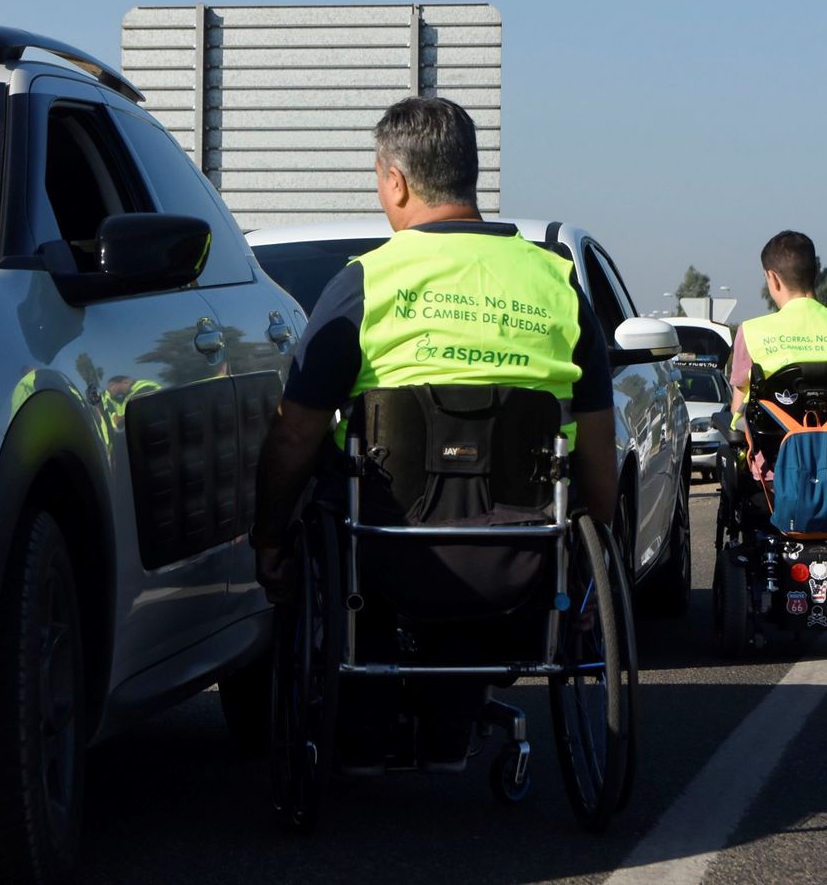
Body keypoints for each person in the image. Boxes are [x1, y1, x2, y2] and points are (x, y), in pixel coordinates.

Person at [247, 95, 615, 771]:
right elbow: (596, 443)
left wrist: (269, 538)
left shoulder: (365, 283)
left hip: (384, 548)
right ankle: (457, 714)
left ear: (395, 182)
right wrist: (594, 554)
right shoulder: (558, 282)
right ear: (469, 174)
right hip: (520, 552)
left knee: (329, 464)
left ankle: (360, 722)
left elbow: (293, 434)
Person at [727, 230, 827, 445]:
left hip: (773, 456)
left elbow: (737, 409)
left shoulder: (751, 332)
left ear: (773, 278)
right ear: (815, 273)